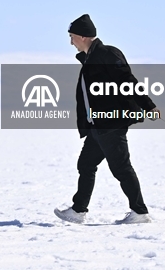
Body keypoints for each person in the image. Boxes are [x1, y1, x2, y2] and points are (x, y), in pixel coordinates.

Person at [55, 14, 156, 225]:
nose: (70, 42)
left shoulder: (107, 54)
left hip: (111, 123)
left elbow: (128, 80)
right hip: (98, 125)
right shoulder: (91, 58)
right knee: (85, 164)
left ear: (82, 37)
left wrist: (148, 105)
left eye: (72, 37)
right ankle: (78, 210)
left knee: (121, 168)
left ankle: (140, 212)